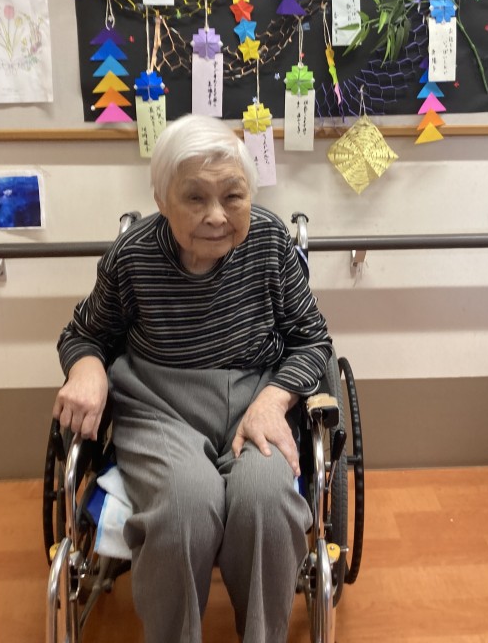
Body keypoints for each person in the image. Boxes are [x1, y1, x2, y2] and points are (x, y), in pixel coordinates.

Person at [53, 114, 332, 643]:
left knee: (267, 504)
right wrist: (86, 366)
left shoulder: (269, 241)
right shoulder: (133, 255)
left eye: (233, 196)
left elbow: (313, 340)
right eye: (195, 198)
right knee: (184, 505)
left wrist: (274, 400)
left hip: (256, 398)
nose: (217, 216)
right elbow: (84, 334)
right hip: (159, 405)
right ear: (162, 200)